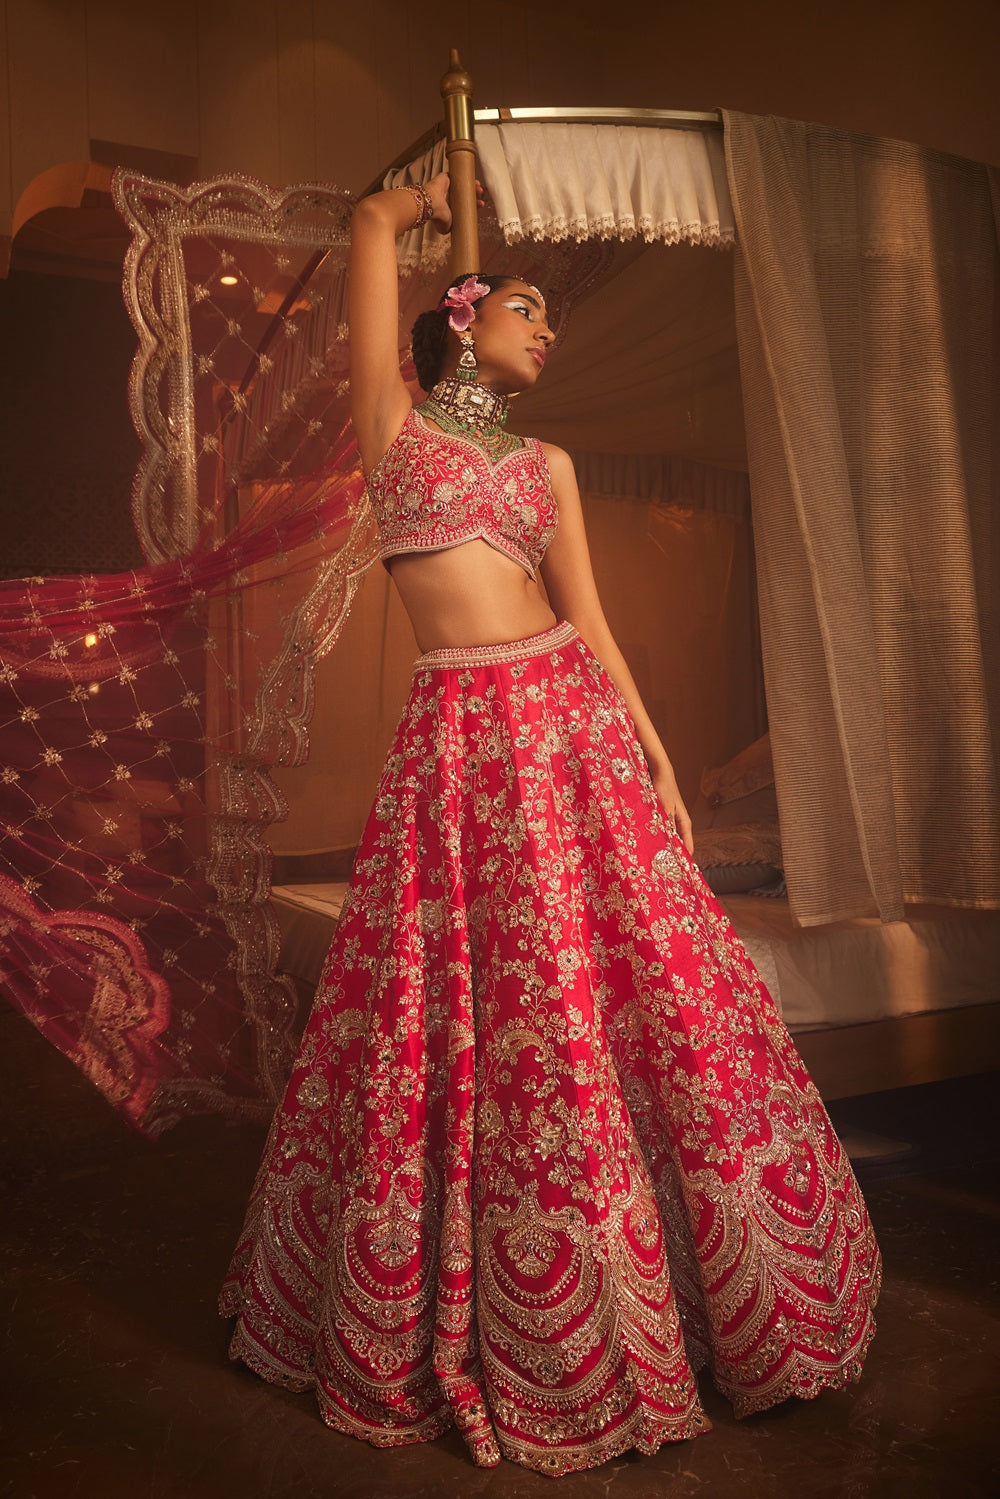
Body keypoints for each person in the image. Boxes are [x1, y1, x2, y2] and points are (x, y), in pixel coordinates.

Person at [219, 173, 881, 1478]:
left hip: (569, 731)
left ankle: (698, 1289)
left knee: (623, 997)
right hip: (460, 747)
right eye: (527, 309)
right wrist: (389, 213)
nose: (549, 328)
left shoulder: (553, 467)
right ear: (462, 326)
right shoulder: (396, 441)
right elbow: (364, 249)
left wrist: (656, 752)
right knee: (458, 1012)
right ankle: (492, 1299)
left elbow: (590, 621)